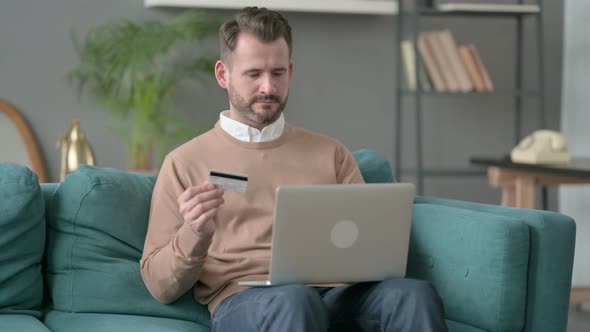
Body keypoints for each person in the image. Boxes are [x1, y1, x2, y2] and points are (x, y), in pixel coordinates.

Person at [140, 7, 448, 332]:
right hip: (244, 301)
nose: (268, 87)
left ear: (290, 72)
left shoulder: (332, 154)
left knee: (414, 294)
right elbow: (159, 285)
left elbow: (369, 248)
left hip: (335, 295)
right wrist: (195, 233)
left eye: (277, 73)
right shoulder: (184, 162)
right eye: (254, 73)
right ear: (223, 74)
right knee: (295, 300)